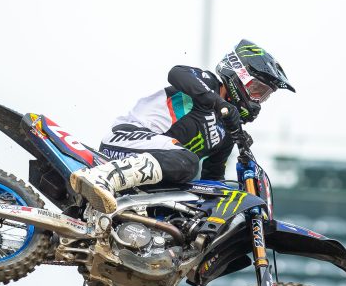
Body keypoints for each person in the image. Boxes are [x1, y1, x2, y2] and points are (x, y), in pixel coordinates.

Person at [70, 39, 295, 213]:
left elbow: (212, 183)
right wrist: (219, 104)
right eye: (256, 90)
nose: (257, 100)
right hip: (125, 139)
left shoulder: (226, 135)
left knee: (188, 197)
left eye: (263, 95)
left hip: (150, 172)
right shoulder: (207, 84)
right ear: (239, 74)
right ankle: (102, 178)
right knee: (188, 161)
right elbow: (176, 73)